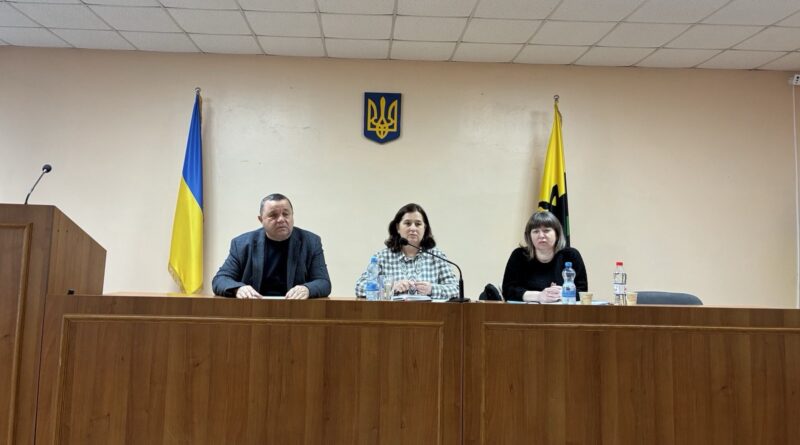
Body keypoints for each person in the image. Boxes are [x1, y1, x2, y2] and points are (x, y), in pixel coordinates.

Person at [212, 193, 331, 299]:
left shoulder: (311, 242)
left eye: (286, 214)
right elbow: (220, 279)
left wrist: (307, 289)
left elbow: (323, 282)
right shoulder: (242, 244)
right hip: (255, 310)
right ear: (261, 220)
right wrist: (238, 289)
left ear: (292, 215)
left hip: (295, 310)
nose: (281, 219)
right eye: (273, 215)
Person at [355, 203, 458, 300]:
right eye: (407, 223)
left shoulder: (437, 257)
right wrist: (391, 287)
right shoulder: (382, 257)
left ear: (425, 228)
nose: (413, 228)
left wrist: (432, 289)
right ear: (397, 228)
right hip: (392, 312)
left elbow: (456, 289)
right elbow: (360, 287)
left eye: (418, 224)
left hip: (428, 313)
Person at [502, 210, 588, 302]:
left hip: (563, 310)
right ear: (529, 236)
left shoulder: (571, 255)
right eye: (536, 231)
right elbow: (508, 291)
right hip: (526, 310)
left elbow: (582, 291)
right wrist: (539, 296)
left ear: (557, 234)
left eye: (546, 230)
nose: (541, 236)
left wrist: (564, 293)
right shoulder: (519, 255)